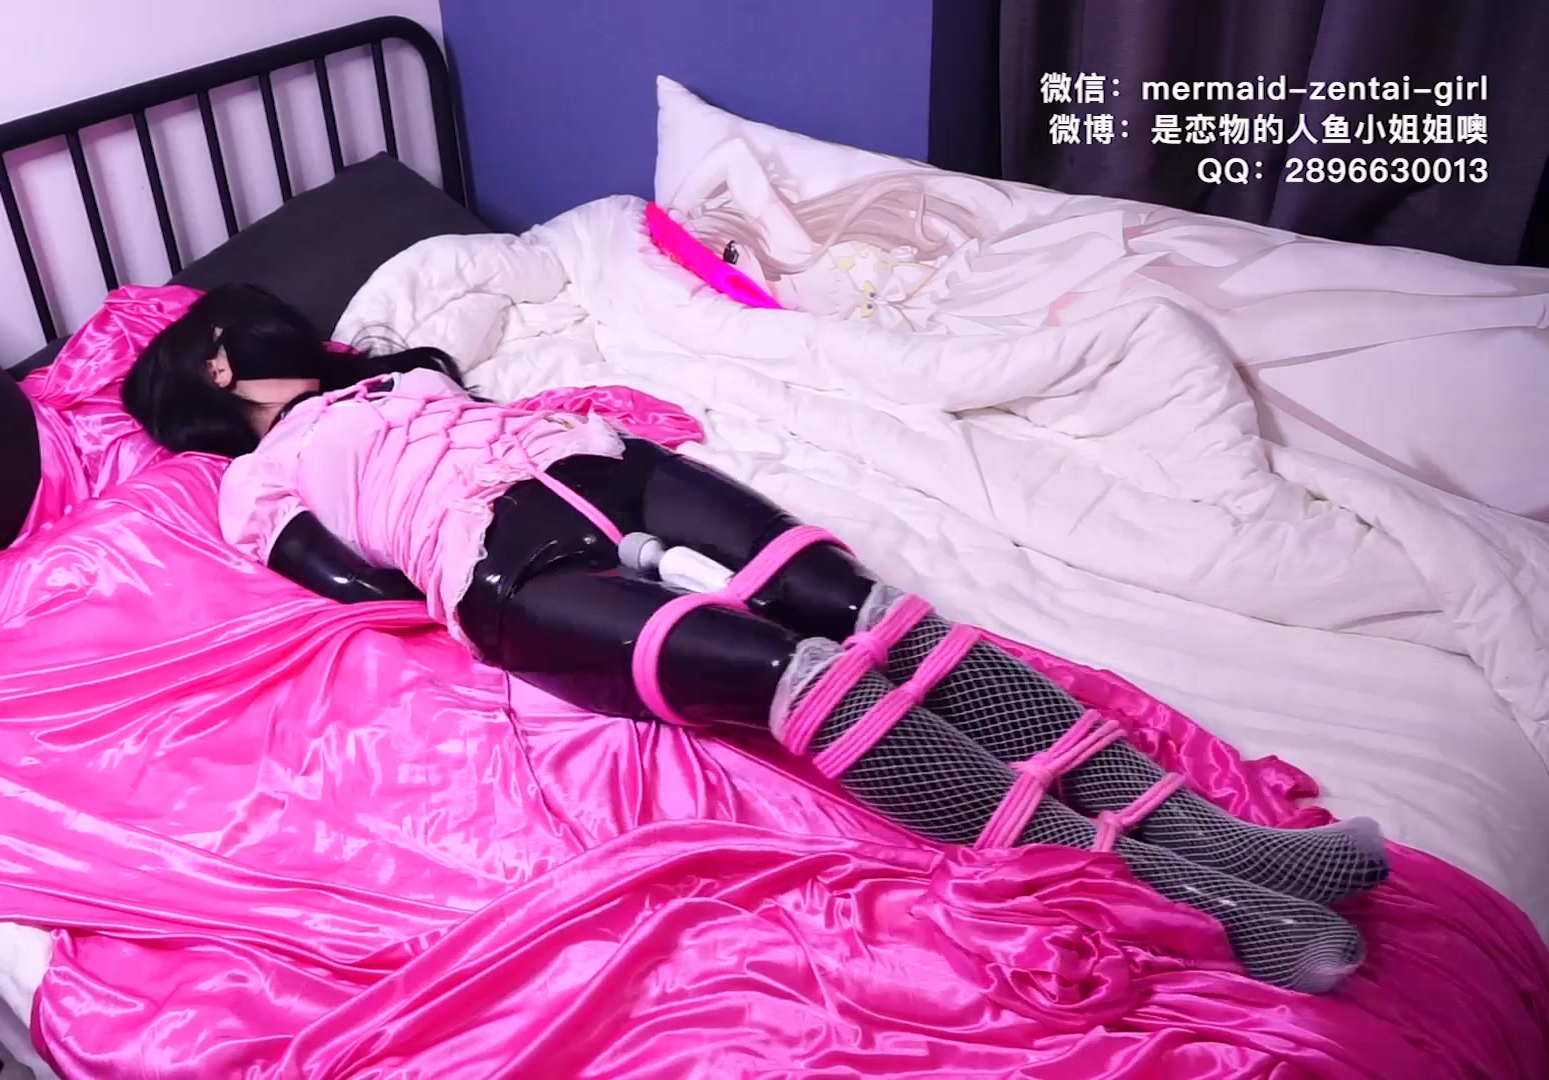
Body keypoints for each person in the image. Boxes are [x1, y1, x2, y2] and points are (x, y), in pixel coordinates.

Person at [121, 284, 1388, 992]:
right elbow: (350, 581)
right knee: (793, 676)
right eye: (245, 322)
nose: (278, 321)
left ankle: (1223, 841)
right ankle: (1197, 897)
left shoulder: (401, 372)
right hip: (500, 561)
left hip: (605, 465)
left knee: (884, 622)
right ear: (217, 368)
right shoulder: (253, 482)